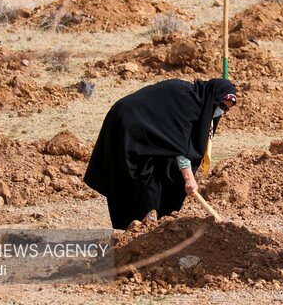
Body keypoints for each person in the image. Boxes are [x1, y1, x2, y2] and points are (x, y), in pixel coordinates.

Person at [84, 78, 237, 230]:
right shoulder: (188, 104)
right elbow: (179, 147)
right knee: (139, 175)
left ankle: (154, 221)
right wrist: (189, 178)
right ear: (213, 97)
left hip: (148, 131)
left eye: (226, 109)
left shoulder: (201, 102)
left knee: (165, 171)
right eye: (221, 105)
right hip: (128, 125)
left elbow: (178, 144)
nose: (221, 111)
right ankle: (141, 223)